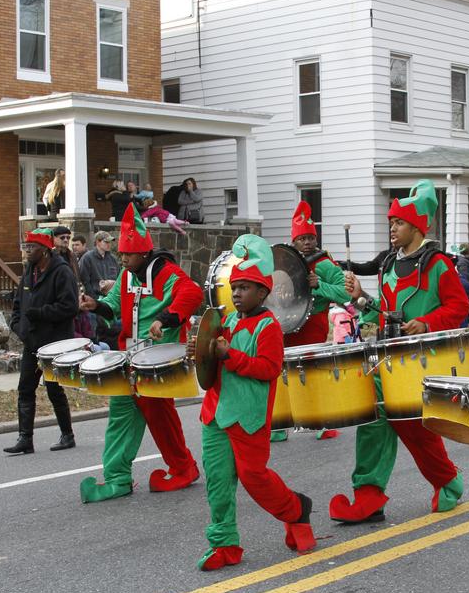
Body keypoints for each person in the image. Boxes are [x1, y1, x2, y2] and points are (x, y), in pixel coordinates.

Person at [333, 180, 469, 523]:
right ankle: (368, 495)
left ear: (418, 226)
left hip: (424, 360)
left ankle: (447, 481)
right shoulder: (390, 264)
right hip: (387, 357)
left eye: (399, 223)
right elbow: (385, 313)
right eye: (391, 222)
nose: (392, 229)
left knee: (414, 429)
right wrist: (360, 298)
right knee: (374, 419)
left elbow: (459, 307)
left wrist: (426, 322)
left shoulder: (439, 264)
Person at [185, 234, 316, 570]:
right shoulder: (225, 321)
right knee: (218, 481)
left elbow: (268, 369)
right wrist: (199, 353)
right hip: (215, 414)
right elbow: (211, 365)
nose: (237, 293)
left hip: (248, 417)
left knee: (254, 478)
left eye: (245, 287)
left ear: (263, 292)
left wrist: (231, 356)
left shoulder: (269, 327)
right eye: (235, 287)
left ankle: (295, 510)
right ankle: (224, 544)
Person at [78, 204, 203, 501]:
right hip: (130, 360)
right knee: (121, 414)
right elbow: (112, 305)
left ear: (144, 253)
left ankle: (183, 467)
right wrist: (96, 306)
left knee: (160, 417)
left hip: (158, 363)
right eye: (120, 254)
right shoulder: (126, 276)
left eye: (127, 255)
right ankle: (117, 478)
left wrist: (166, 318)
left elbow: (192, 293)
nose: (122, 259)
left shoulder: (166, 273)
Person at [271, 201, 350, 442]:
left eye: (310, 238)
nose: (307, 243)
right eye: (302, 239)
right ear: (293, 242)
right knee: (281, 374)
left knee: (312, 374)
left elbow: (345, 293)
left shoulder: (325, 264)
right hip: (286, 325)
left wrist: (320, 285)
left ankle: (322, 423)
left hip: (313, 323)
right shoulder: (284, 261)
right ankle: (278, 425)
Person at [5, 228, 79, 454]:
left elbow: (70, 307)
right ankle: (25, 438)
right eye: (25, 247)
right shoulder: (29, 272)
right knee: (25, 389)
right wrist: (18, 327)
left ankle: (67, 435)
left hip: (55, 342)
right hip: (32, 341)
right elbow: (18, 305)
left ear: (45, 250)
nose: (27, 251)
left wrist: (40, 313)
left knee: (54, 389)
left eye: (32, 247)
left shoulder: (61, 272)